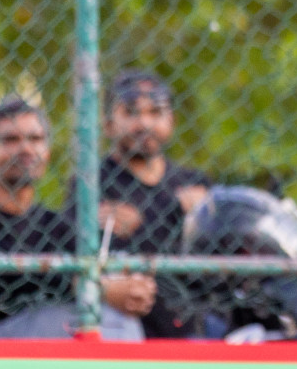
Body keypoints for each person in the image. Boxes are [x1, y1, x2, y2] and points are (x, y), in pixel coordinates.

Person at [0, 97, 150, 340]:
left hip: (40, 338)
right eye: (10, 140)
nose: (26, 149)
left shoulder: (52, 224)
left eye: (35, 139)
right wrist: (98, 288)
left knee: (118, 312)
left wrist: (132, 286)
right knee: (107, 318)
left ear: (47, 152)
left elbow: (95, 269)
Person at [90, 70, 212, 337]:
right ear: (108, 123)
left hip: (197, 321)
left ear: (172, 120)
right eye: (131, 112)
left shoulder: (194, 181)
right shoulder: (91, 184)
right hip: (128, 326)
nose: (144, 123)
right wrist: (175, 211)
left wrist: (141, 219)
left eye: (155, 112)